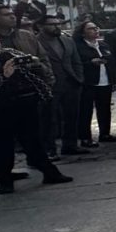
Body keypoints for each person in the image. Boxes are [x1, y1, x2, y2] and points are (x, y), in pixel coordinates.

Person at [0, 29, 72, 193]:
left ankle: (49, 172)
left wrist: (33, 63)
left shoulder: (9, 53)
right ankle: (5, 179)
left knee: (33, 141)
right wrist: (2, 76)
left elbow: (36, 67)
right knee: (3, 145)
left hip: (25, 103)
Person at [35, 14, 87, 158]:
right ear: (41, 26)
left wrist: (79, 78)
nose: (57, 26)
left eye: (58, 24)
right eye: (52, 24)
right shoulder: (35, 42)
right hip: (49, 84)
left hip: (71, 83)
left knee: (72, 116)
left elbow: (76, 60)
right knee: (49, 118)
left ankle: (70, 145)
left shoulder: (67, 40)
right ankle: (49, 149)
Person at [74, 20, 116, 147]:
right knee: (86, 110)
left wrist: (114, 79)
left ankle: (105, 133)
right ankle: (85, 137)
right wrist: (90, 63)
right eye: (91, 29)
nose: (95, 30)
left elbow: (112, 63)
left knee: (105, 109)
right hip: (88, 82)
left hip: (105, 81)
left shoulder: (103, 45)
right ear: (83, 33)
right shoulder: (78, 46)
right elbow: (76, 63)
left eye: (96, 28)